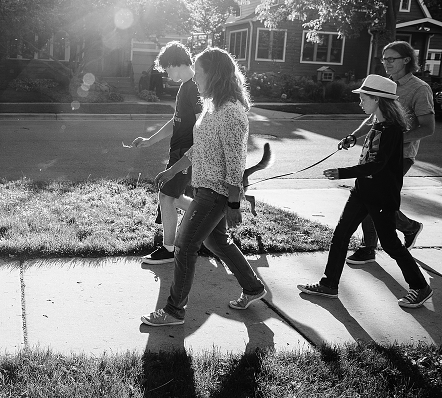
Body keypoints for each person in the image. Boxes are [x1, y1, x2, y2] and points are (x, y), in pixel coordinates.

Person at [141, 48, 266, 327]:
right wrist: (173, 169)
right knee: (216, 240)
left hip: (216, 192)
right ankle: (253, 287)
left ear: (215, 75)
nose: (194, 79)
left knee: (184, 246)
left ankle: (174, 311)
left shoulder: (232, 113)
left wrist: (234, 204)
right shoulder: (212, 107)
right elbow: (201, 147)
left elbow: (236, 163)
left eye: (198, 73)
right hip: (203, 186)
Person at [298, 75, 433, 308]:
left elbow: (378, 165)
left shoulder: (391, 131)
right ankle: (329, 284)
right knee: (341, 235)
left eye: (363, 98)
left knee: (390, 244)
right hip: (362, 191)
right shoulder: (378, 125)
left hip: (381, 196)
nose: (360, 102)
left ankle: (420, 287)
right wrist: (352, 140)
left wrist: (342, 173)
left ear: (377, 100)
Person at [344, 41, 435, 264]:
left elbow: (428, 127)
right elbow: (373, 117)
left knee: (371, 198)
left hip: (400, 157)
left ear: (406, 60)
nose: (386, 63)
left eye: (391, 59)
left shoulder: (419, 89)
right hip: (375, 154)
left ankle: (369, 247)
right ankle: (405, 229)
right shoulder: (386, 85)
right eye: (384, 59)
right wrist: (355, 136)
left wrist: (392, 141)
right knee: (371, 198)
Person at [130, 41, 201, 264]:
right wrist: (150, 140)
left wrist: (189, 157)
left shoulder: (196, 88)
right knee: (175, 197)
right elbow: (176, 121)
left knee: (166, 196)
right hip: (177, 152)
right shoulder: (184, 87)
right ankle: (212, 220)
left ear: (176, 64)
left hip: (186, 154)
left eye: (167, 68)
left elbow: (203, 125)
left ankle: (169, 249)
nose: (166, 73)